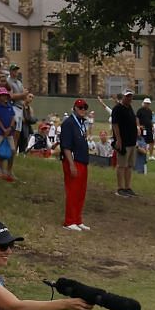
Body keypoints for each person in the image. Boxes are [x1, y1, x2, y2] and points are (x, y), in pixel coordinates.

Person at [60, 97, 91, 231]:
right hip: (73, 161)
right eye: (80, 108)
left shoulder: (82, 123)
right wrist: (71, 164)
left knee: (81, 192)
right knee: (73, 191)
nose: (83, 110)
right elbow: (66, 146)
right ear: (75, 109)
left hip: (83, 160)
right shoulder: (69, 123)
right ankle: (69, 221)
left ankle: (78, 219)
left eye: (85, 108)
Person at [110, 91, 139, 197]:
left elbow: (133, 120)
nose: (129, 99)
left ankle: (127, 187)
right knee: (122, 165)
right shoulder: (117, 109)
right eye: (127, 97)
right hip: (124, 142)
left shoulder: (129, 108)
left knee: (129, 166)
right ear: (123, 97)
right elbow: (115, 125)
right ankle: (120, 188)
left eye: (131, 97)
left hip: (132, 141)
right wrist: (118, 140)